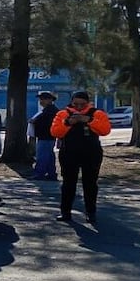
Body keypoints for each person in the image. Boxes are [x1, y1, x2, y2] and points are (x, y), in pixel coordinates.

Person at [50, 91, 112, 224]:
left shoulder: (97, 114)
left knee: (90, 184)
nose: (78, 107)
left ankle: (91, 212)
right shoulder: (63, 114)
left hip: (91, 153)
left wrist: (89, 120)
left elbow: (105, 130)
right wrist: (68, 123)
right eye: (75, 104)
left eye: (82, 105)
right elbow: (55, 132)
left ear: (87, 103)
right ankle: (65, 212)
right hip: (69, 153)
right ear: (71, 102)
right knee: (68, 184)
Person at [29, 91, 59, 180]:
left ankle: (39, 173)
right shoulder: (48, 110)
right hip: (48, 137)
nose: (41, 101)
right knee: (49, 156)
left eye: (43, 99)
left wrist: (34, 122)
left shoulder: (50, 111)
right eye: (40, 99)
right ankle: (51, 174)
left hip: (46, 137)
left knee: (42, 156)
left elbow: (46, 124)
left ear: (50, 100)